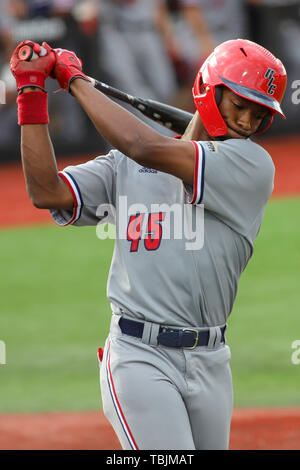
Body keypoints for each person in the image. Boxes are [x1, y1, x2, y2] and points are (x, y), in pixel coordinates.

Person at [10, 38, 287, 450]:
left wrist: (73, 79)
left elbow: (142, 146)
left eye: (258, 113)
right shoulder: (126, 165)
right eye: (239, 105)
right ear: (209, 89)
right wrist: (31, 94)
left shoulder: (253, 167)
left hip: (212, 359)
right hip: (139, 357)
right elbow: (47, 192)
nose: (246, 122)